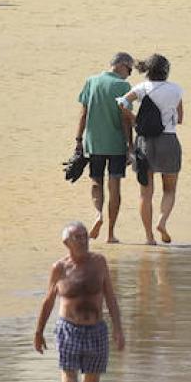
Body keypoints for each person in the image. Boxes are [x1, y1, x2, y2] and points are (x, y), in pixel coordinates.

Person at [32, 223, 123, 382]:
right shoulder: (60, 268)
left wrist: (118, 329)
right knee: (69, 381)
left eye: (85, 237)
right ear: (66, 243)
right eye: (78, 238)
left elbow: (110, 296)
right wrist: (38, 332)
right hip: (68, 329)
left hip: (96, 330)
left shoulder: (99, 262)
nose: (83, 241)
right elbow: (48, 301)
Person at [122, 54, 184, 244]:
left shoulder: (142, 88)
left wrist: (135, 120)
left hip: (145, 142)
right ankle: (162, 221)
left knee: (145, 194)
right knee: (170, 189)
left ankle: (149, 237)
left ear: (148, 70)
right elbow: (180, 118)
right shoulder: (176, 90)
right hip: (169, 140)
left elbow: (122, 103)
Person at [76, 53, 135, 243]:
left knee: (96, 181)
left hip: (93, 142)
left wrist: (78, 139)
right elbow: (126, 118)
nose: (130, 74)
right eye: (130, 69)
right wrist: (130, 146)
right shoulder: (123, 86)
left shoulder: (91, 81)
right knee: (114, 185)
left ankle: (97, 214)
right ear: (122, 65)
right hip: (116, 143)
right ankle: (110, 233)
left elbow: (83, 114)